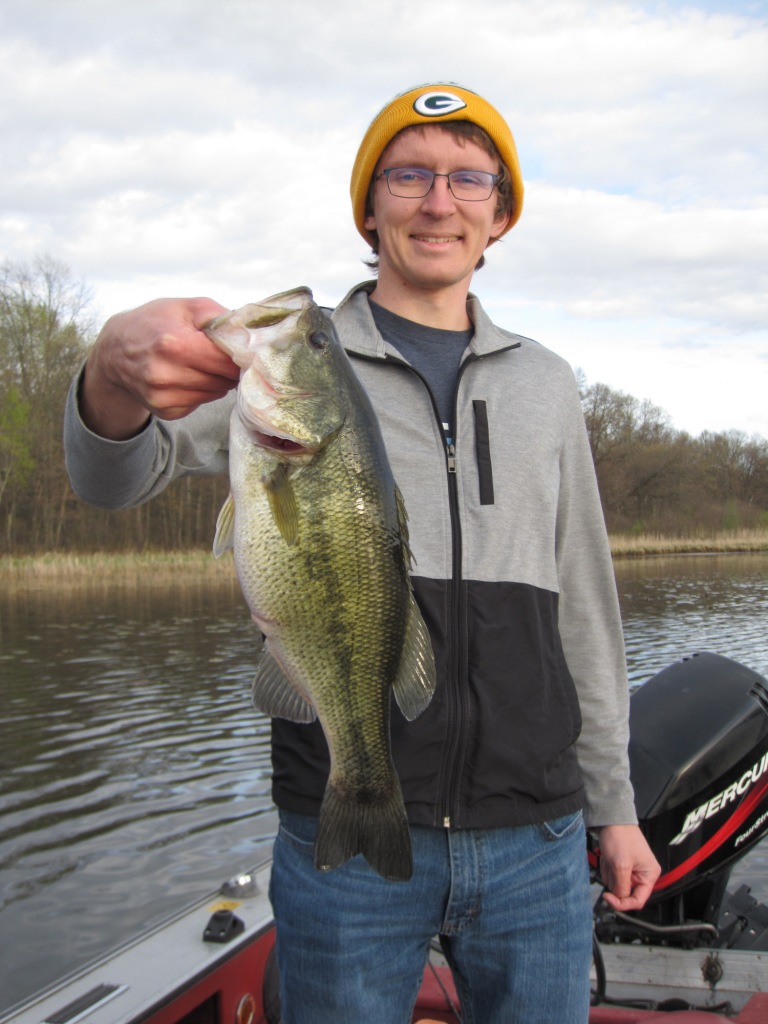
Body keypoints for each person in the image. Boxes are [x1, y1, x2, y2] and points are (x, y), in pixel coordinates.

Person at [64, 83, 661, 1023]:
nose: (438, 201)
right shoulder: (286, 369)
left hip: (535, 835)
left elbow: (583, 603)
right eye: (409, 174)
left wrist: (613, 806)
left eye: (469, 178)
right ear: (370, 205)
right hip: (334, 831)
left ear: (498, 213)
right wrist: (107, 374)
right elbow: (112, 478)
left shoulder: (547, 383)